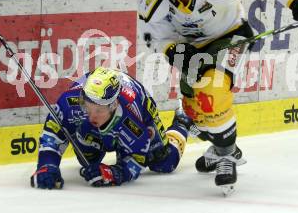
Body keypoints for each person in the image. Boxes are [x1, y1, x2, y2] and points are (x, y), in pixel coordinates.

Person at [137, 0, 298, 192]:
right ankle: (223, 147)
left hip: (231, 36)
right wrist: (175, 53)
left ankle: (227, 156)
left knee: (213, 91)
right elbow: (153, 36)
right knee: (195, 111)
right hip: (191, 48)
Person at [30, 66, 192, 189]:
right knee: (88, 160)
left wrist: (115, 173)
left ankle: (182, 122)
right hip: (104, 111)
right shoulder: (68, 104)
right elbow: (52, 136)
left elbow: (136, 160)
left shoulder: (132, 119)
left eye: (99, 110)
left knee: (164, 162)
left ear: (113, 105)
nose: (92, 115)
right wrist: (47, 165)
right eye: (87, 107)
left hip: (141, 104)